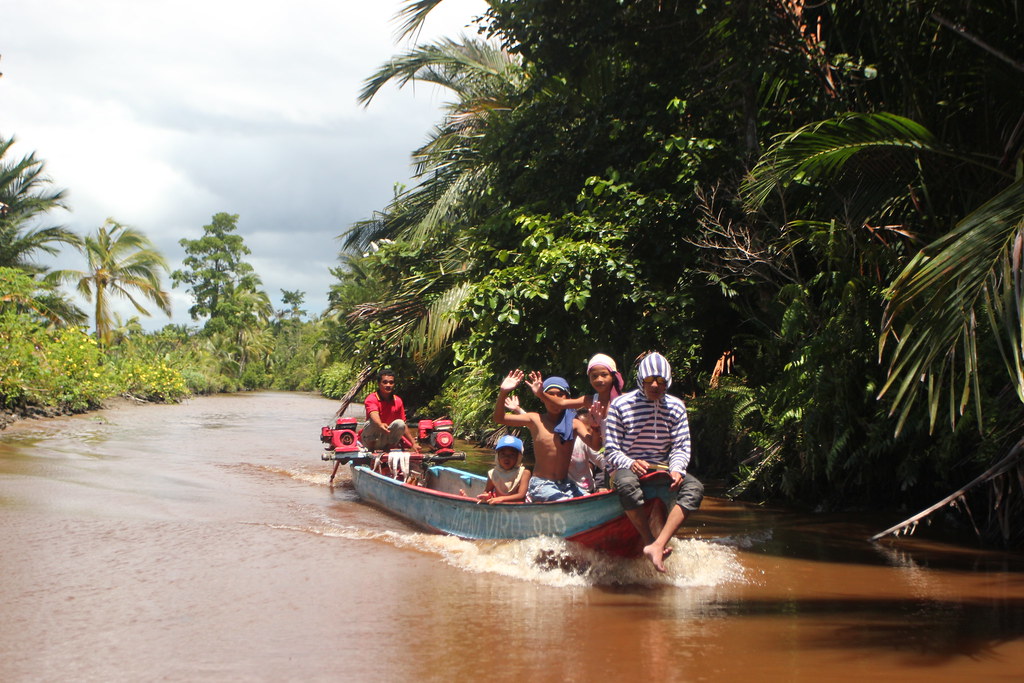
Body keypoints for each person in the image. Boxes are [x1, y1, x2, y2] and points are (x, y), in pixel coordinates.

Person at [604, 352, 703, 572]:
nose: (655, 385)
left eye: (661, 381)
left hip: (661, 467)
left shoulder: (676, 407)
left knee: (694, 488)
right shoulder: (620, 405)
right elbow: (611, 449)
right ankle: (649, 540)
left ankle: (659, 544)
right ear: (641, 380)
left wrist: (677, 469)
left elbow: (681, 446)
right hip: (624, 466)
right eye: (650, 380)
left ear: (668, 381)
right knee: (627, 485)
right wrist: (629, 462)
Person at [493, 369, 584, 502]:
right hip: (541, 484)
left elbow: (596, 444)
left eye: (560, 395)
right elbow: (499, 418)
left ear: (567, 399)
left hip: (565, 484)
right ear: (543, 398)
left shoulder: (574, 423)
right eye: (550, 394)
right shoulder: (535, 420)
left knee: (590, 500)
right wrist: (503, 392)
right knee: (563, 502)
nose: (555, 399)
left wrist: (599, 422)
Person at [359, 369, 421, 453]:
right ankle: (371, 449)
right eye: (385, 382)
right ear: (379, 384)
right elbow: (373, 413)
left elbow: (403, 424)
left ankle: (387, 448)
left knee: (400, 423)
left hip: (386, 438)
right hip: (370, 439)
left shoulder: (397, 400)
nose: (388, 385)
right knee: (372, 422)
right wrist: (380, 424)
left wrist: (413, 443)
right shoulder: (371, 398)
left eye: (391, 382)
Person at [474, 434, 531, 504]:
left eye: (512, 455)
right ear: (497, 456)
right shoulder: (493, 473)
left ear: (518, 457)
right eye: (503, 454)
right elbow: (487, 491)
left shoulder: (524, 473)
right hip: (498, 504)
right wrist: (486, 496)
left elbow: (521, 495)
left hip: (516, 506)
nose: (506, 458)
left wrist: (501, 499)